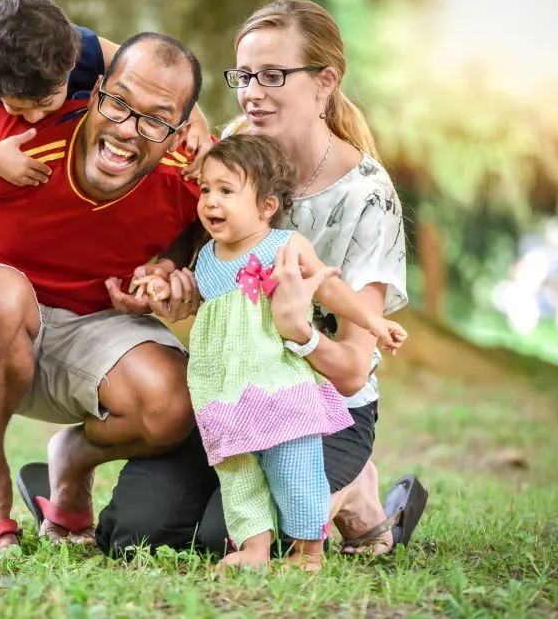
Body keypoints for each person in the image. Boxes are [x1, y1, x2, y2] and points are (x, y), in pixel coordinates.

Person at [92, 0, 426, 558]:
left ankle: (354, 490)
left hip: (321, 407)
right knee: (134, 535)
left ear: (325, 82)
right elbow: (206, 282)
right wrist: (166, 290)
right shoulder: (228, 160)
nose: (252, 92)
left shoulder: (367, 198)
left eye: (273, 76)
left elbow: (349, 371)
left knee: (237, 539)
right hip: (232, 391)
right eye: (244, 75)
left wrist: (301, 332)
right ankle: (337, 495)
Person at [0, 23, 207, 551]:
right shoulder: (1, 134)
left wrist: (168, 266)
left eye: (157, 121)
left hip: (93, 325)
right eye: (118, 104)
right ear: (94, 90)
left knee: (173, 403)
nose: (126, 130)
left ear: (181, 131)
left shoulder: (191, 172)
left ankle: (70, 463)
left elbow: (202, 224)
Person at [135, 134, 407, 570]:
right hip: (222, 392)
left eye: (226, 191)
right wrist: (161, 286)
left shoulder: (283, 246)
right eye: (206, 189)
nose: (210, 201)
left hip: (276, 385)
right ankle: (255, 550)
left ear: (265, 206)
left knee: (294, 470)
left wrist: (374, 322)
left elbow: (332, 288)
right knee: (238, 479)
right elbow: (203, 312)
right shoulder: (206, 258)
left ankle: (309, 553)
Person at [0, 0, 212, 249]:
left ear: (70, 64)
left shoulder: (85, 48)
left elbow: (161, 73)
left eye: (44, 103)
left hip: (71, 146)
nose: (35, 117)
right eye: (17, 108)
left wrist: (197, 120)